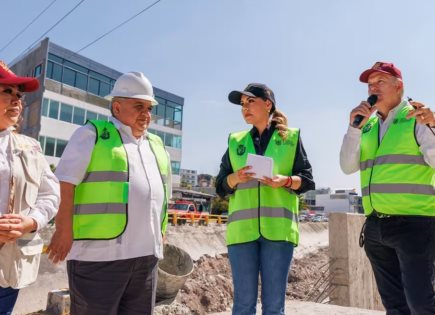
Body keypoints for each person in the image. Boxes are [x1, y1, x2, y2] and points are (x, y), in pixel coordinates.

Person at [47, 72, 171, 315]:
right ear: (117, 106)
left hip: (146, 256)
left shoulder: (155, 144)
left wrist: (162, 232)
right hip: (98, 256)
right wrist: (63, 230)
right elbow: (65, 183)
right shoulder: (93, 134)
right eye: (138, 106)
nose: (146, 114)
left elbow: (163, 194)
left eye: (149, 107)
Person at [340, 62, 435, 315]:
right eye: (370, 84)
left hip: (415, 225)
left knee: (422, 303)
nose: (373, 88)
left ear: (399, 86)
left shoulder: (417, 117)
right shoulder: (367, 127)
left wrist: (434, 127)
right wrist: (353, 129)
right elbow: (348, 166)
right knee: (394, 305)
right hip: (375, 228)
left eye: (380, 81)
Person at [216, 83, 315, 315]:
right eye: (242, 104)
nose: (245, 108)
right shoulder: (236, 141)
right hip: (242, 235)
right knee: (242, 305)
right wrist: (235, 177)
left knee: (273, 307)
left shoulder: (290, 138)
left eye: (250, 101)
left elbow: (308, 181)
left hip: (279, 233)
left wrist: (286, 181)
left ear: (268, 104)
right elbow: (220, 186)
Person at [0, 61, 60, 315]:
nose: (16, 100)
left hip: (10, 266)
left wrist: (31, 221)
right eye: (7, 92)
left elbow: (50, 193)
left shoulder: (30, 146)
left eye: (19, 95)